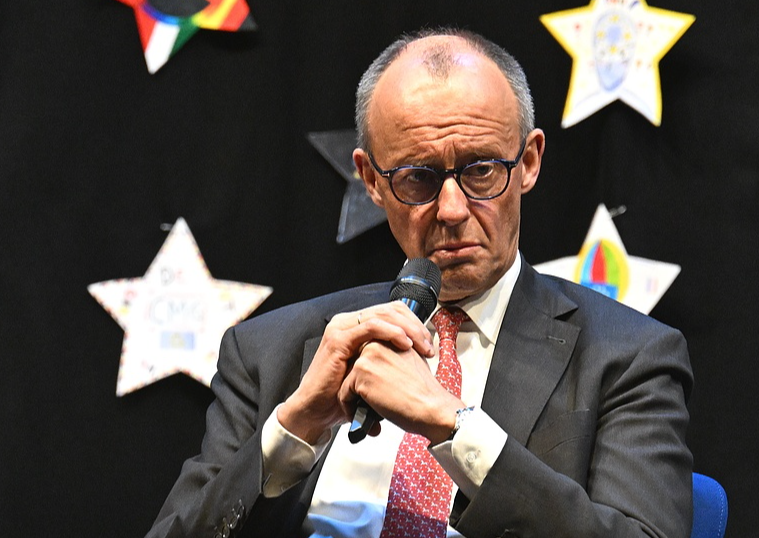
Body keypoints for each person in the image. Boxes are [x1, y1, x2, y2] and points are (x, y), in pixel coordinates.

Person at [145, 27, 694, 538]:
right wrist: (293, 428)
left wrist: (450, 424)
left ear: (528, 162)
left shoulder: (627, 356)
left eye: (481, 169)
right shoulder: (268, 352)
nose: (452, 209)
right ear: (370, 181)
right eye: (418, 178)